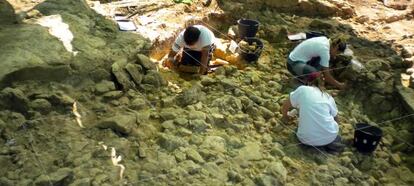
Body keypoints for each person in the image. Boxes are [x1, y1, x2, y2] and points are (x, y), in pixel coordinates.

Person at [281, 72, 344, 153]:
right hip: (329, 137)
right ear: (322, 84)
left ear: (308, 82)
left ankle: (317, 144)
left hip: (305, 139)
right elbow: (336, 119)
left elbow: (285, 105)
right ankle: (328, 144)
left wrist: (285, 116)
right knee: (334, 136)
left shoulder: (303, 89)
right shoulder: (328, 97)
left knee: (300, 130)